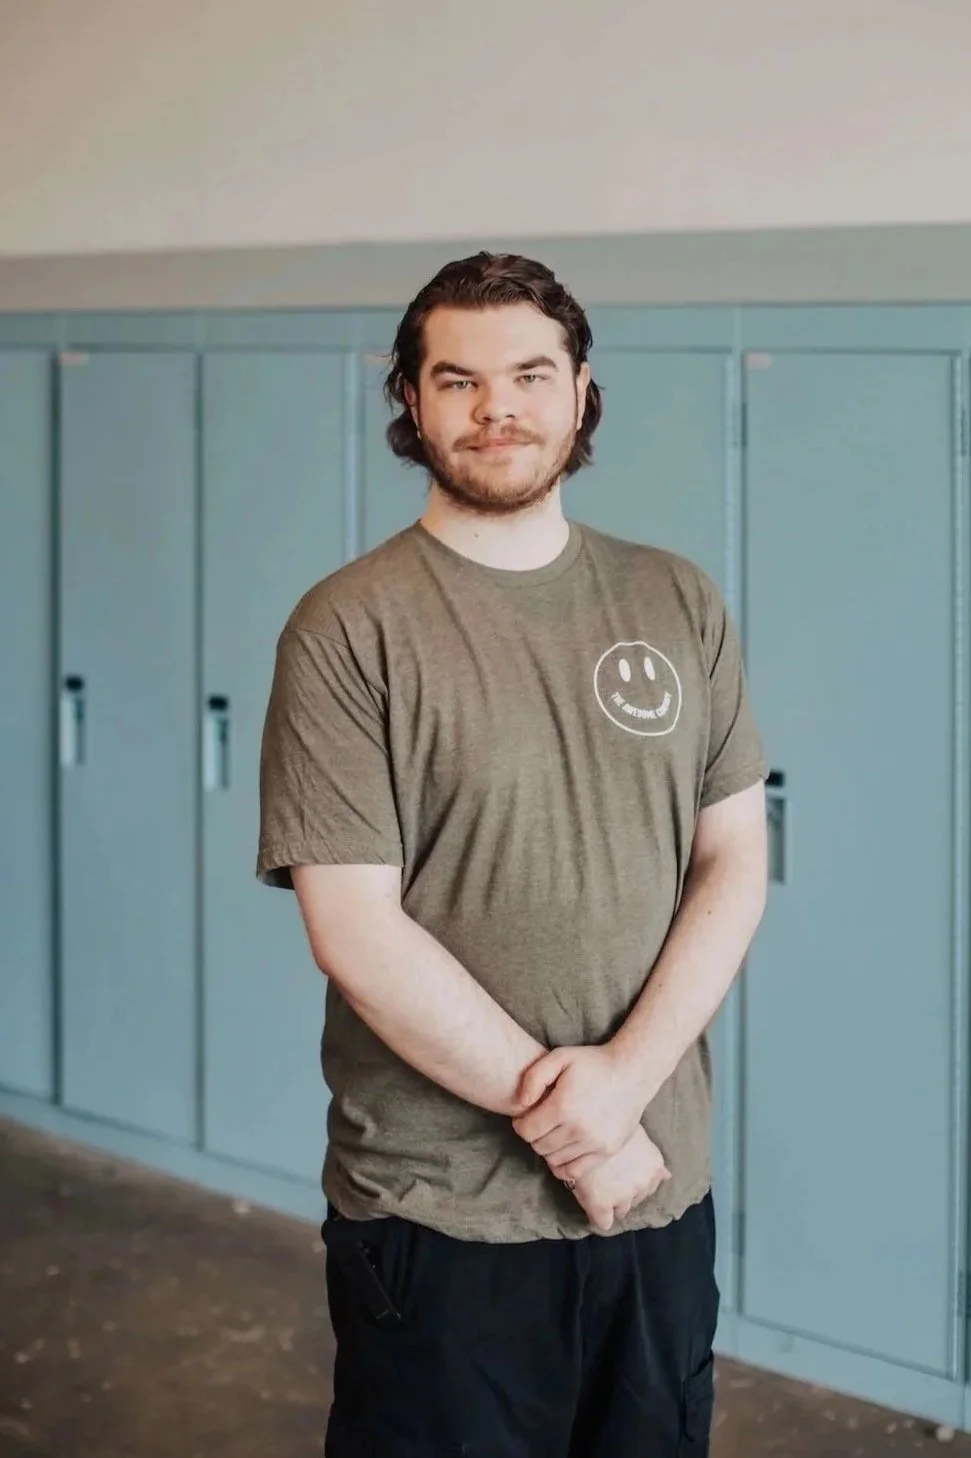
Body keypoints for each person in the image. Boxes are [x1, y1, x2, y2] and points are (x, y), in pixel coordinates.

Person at [256, 251, 769, 1457]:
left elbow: (732, 859)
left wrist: (622, 1097)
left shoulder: (673, 598)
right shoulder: (348, 626)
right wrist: (581, 1131)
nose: (498, 408)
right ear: (409, 398)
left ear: (581, 391)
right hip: (440, 1218)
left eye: (531, 374)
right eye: (458, 379)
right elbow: (356, 931)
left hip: (653, 1185)